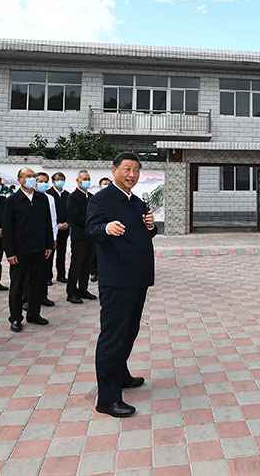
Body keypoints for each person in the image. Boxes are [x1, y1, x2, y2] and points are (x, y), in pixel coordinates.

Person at [87, 152, 156, 418]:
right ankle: (107, 398)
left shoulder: (137, 202)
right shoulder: (101, 199)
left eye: (136, 170)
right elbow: (90, 229)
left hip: (137, 278)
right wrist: (106, 228)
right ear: (114, 169)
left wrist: (150, 227)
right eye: (127, 169)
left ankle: (121, 374)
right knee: (113, 335)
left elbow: (145, 234)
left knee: (130, 329)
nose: (132, 175)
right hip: (116, 280)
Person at [4, 168, 54, 333]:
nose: (32, 179)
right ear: (20, 180)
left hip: (39, 249)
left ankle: (34, 313)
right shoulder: (12, 200)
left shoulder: (41, 198)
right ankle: (16, 318)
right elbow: (8, 229)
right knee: (17, 286)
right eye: (28, 176)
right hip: (19, 252)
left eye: (33, 176)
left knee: (37, 283)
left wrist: (48, 245)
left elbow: (47, 223)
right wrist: (10, 252)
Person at [66, 170, 96, 304]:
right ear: (78, 181)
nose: (86, 181)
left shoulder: (91, 196)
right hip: (79, 237)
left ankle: (83, 289)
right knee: (77, 264)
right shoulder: (73, 197)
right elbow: (74, 217)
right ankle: (71, 292)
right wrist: (90, 222)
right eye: (84, 179)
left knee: (87, 264)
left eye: (88, 178)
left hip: (91, 236)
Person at [36, 173, 58, 307]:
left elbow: (53, 219)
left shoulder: (50, 198)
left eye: (45, 181)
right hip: (33, 240)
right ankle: (27, 298)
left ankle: (43, 295)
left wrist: (53, 238)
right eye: (40, 181)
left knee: (45, 269)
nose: (43, 184)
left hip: (47, 239)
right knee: (31, 272)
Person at [48, 172, 71, 284]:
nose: (60, 181)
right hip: (52, 229)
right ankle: (47, 277)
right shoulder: (48, 194)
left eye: (62, 179)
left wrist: (68, 222)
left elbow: (71, 211)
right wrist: (57, 225)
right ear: (53, 181)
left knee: (61, 253)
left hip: (65, 229)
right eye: (57, 179)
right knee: (49, 253)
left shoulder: (67, 195)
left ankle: (61, 275)